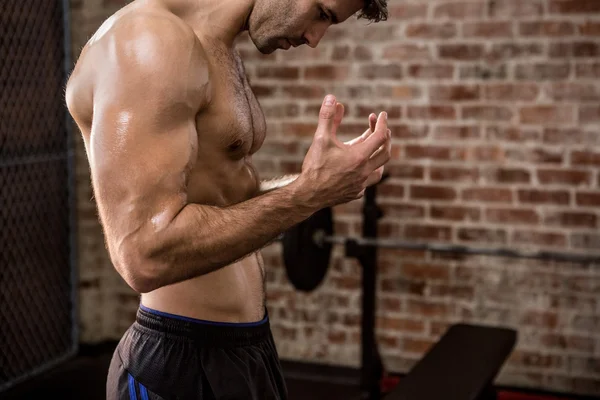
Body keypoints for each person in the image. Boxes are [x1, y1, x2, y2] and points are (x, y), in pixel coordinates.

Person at [65, 0, 390, 398]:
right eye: (322, 13)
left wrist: (323, 184)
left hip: (246, 351)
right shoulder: (148, 42)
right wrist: (308, 194)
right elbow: (143, 253)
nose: (315, 38)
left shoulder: (219, 47)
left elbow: (228, 207)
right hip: (180, 361)